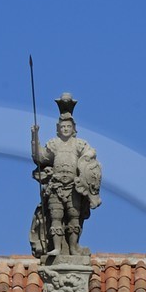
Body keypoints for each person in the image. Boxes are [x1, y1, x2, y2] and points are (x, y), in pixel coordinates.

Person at [29, 93, 101, 262]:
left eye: (68, 127)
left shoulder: (79, 144)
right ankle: (56, 247)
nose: (65, 129)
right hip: (56, 186)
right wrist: (34, 137)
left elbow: (90, 154)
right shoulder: (53, 144)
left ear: (73, 128)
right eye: (63, 127)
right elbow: (39, 157)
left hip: (74, 186)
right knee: (56, 216)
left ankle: (74, 247)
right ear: (58, 128)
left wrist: (88, 156)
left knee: (74, 216)